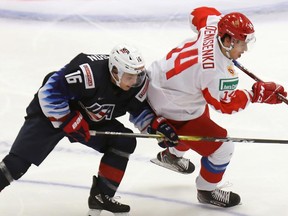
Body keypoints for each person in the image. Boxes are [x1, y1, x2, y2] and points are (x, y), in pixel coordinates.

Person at [0, 44, 170, 216]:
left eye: (137, 76)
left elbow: (139, 109)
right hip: (51, 115)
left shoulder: (135, 85)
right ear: (115, 71)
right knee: (16, 164)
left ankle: (102, 196)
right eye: (129, 77)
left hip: (88, 117)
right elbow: (49, 93)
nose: (135, 82)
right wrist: (67, 120)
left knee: (123, 141)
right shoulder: (87, 72)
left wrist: (156, 128)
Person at [145, 7, 287, 208]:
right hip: (168, 104)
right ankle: (207, 189)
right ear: (228, 40)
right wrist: (255, 94)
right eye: (241, 43)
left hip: (156, 80)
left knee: (199, 112)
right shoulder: (216, 73)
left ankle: (171, 155)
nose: (244, 49)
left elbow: (198, 12)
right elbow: (224, 104)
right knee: (223, 147)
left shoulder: (213, 25)